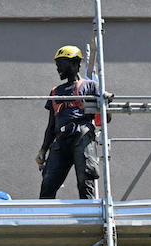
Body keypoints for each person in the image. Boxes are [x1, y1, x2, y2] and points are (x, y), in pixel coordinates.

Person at [36, 45, 109, 199]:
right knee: (48, 182)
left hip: (81, 136)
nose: (58, 69)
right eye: (57, 65)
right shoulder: (55, 92)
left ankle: (89, 218)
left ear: (75, 63)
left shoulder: (90, 86)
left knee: (85, 180)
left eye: (61, 64)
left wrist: (104, 103)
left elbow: (106, 118)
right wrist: (43, 150)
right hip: (61, 139)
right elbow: (51, 127)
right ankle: (44, 220)